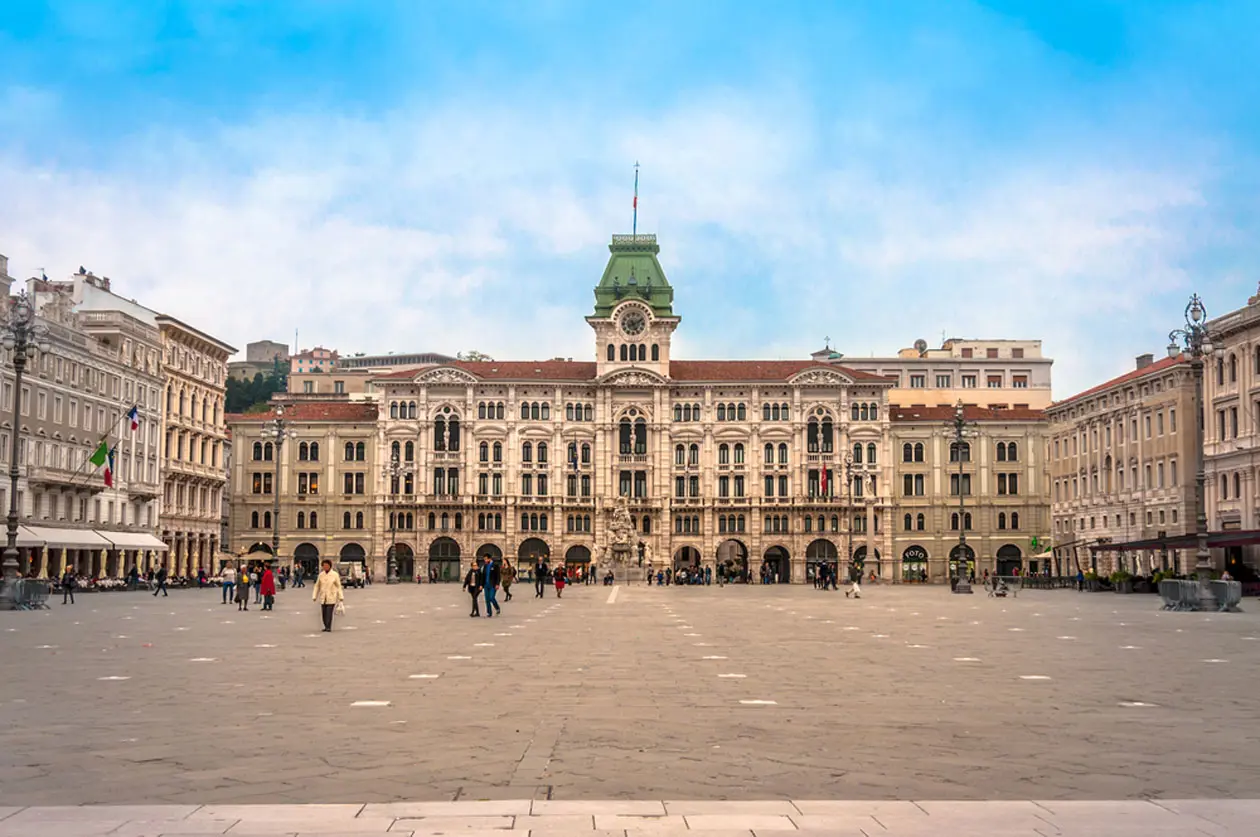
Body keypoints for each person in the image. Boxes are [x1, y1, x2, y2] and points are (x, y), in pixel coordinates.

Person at [312, 559, 344, 632]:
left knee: (329, 612)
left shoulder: (335, 574)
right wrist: (314, 595)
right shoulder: (321, 575)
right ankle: (326, 625)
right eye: (324, 566)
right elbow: (317, 586)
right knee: (324, 613)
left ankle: (328, 627)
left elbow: (338, 586)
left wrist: (341, 597)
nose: (325, 567)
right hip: (323, 596)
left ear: (330, 566)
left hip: (331, 596)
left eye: (326, 565)